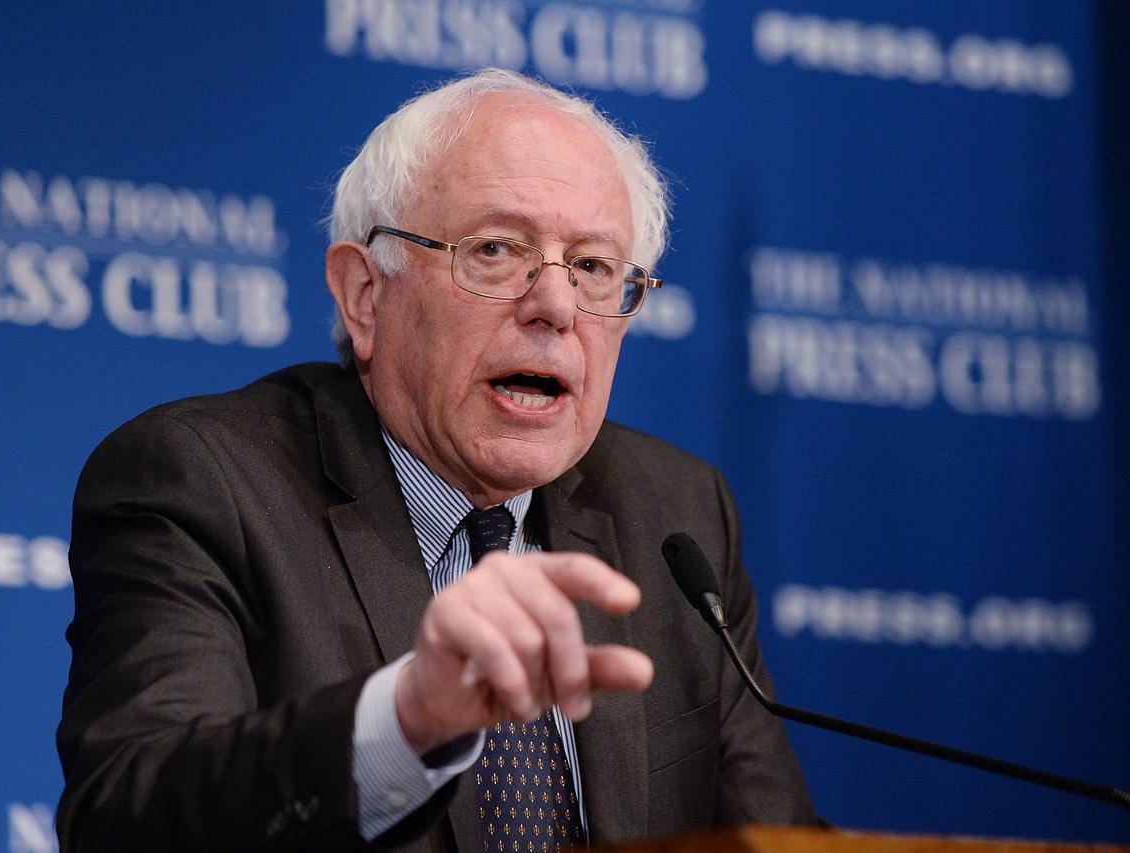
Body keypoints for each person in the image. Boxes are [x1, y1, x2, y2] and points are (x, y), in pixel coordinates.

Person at [56, 68, 816, 852]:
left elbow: (775, 835)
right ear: (363, 295)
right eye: (495, 249)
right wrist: (407, 718)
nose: (555, 306)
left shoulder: (676, 512)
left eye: (591, 267)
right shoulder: (203, 482)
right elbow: (127, 818)